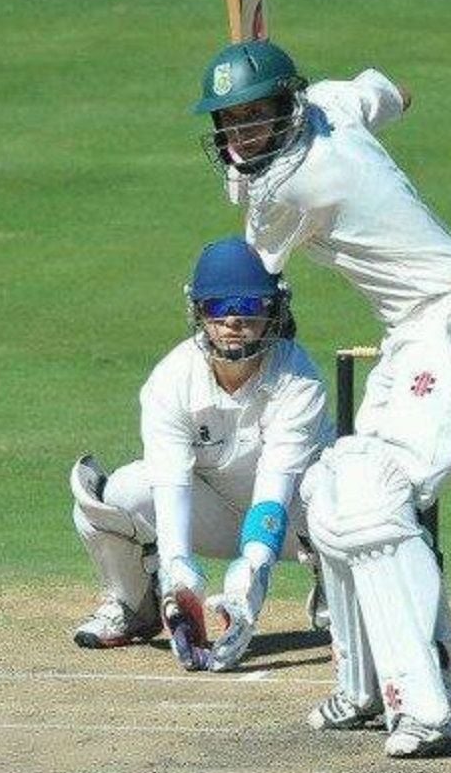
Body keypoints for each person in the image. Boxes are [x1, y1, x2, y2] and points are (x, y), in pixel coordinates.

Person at [193, 40, 451, 755]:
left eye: (256, 119)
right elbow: (395, 92)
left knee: (373, 496)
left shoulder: (298, 187)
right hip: (414, 332)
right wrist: (296, 106)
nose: (242, 136)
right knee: (330, 488)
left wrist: (251, 182)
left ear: (287, 106)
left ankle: (430, 705)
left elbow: (252, 274)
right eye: (231, 123)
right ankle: (364, 685)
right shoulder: (332, 107)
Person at [70, 235, 334, 671]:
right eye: (218, 307)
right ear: (199, 312)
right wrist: (178, 575)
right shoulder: (172, 379)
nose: (233, 321)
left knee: (336, 487)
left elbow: (274, 489)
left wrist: (252, 574)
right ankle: (138, 607)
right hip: (210, 515)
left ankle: (336, 586)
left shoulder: (298, 379)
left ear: (273, 311)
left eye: (249, 308)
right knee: (116, 494)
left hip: (292, 525)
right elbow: (169, 482)